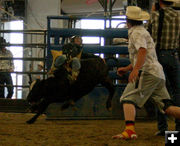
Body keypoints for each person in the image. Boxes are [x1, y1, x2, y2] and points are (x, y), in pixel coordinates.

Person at [112, 6, 180, 140]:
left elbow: (142, 51)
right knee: (167, 107)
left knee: (127, 99)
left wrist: (136, 70)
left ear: (128, 20)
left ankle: (130, 131)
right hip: (157, 74)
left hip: (147, 73)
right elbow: (144, 55)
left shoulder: (136, 33)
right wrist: (128, 68)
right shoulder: (142, 31)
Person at [148, 0, 180, 135]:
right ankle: (178, 127)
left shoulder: (154, 16)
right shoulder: (178, 16)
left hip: (157, 56)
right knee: (177, 91)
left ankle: (162, 127)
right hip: (173, 55)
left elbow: (148, 37)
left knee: (160, 91)